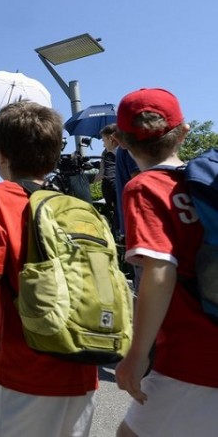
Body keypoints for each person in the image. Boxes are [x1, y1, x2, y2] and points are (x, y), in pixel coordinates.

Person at [0, 101, 98, 436]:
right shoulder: (74, 204)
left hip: (24, 365)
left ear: (1, 155)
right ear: (54, 155)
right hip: (82, 361)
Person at [112, 88, 218, 436]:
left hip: (191, 358)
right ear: (184, 131)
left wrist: (136, 355)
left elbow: (159, 272)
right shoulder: (206, 185)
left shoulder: (144, 188)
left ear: (121, 142)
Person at [93, 124, 119, 235]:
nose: (103, 144)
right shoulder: (128, 151)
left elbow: (106, 176)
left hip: (116, 195)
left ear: (111, 138)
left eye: (104, 140)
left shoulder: (109, 154)